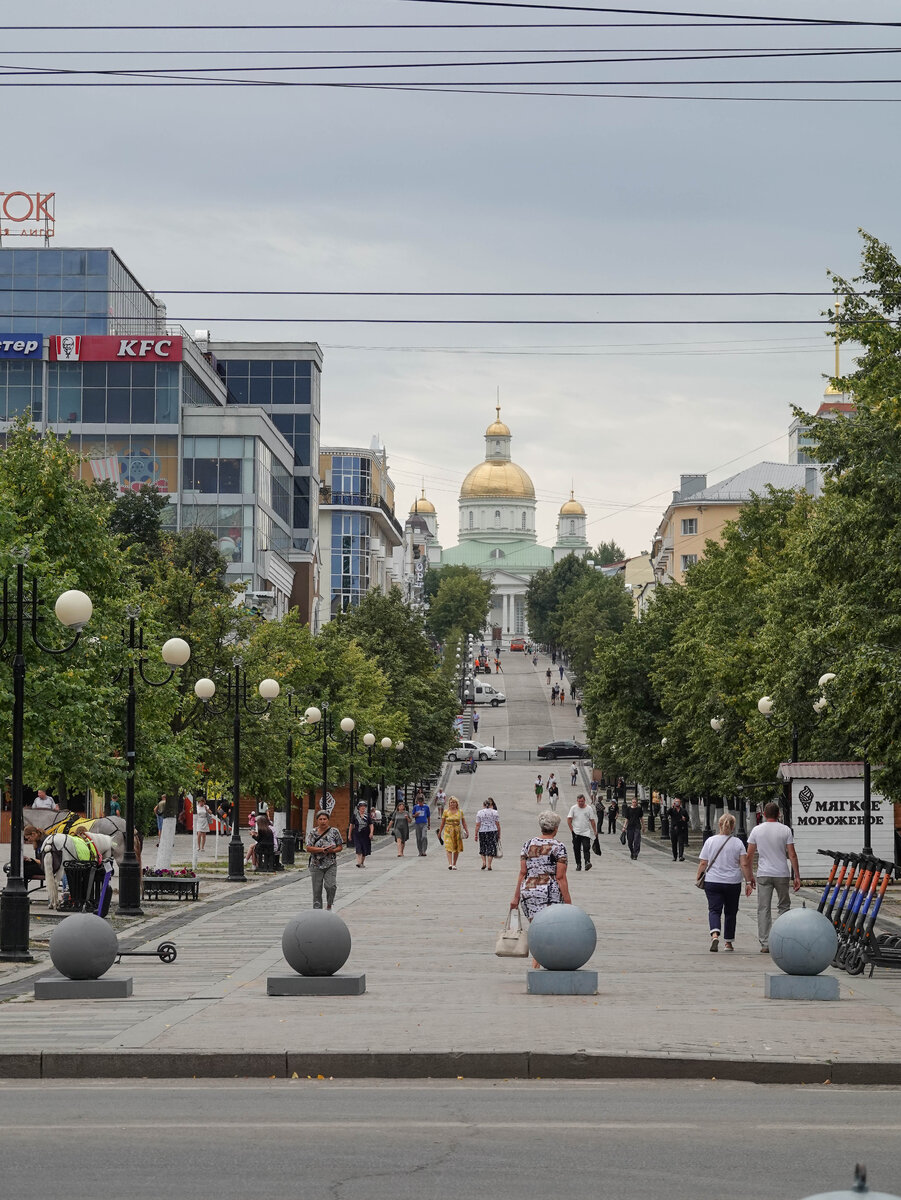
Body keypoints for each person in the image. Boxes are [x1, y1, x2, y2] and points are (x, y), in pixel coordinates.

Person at [510, 810, 572, 968]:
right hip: (549, 893)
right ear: (556, 828)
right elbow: (560, 877)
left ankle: (537, 966)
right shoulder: (558, 847)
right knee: (547, 932)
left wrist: (515, 897)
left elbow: (522, 872)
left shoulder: (528, 844)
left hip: (529, 891)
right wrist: (568, 901)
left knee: (539, 930)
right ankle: (539, 967)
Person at [742, 800, 801, 953]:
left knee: (763, 908)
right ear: (778, 814)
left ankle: (765, 943)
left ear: (763, 814)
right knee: (784, 906)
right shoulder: (786, 830)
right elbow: (792, 854)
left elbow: (749, 855)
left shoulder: (756, 830)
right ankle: (782, 939)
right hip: (782, 873)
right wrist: (797, 876)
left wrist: (749, 878)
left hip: (764, 873)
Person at [697, 813, 754, 952]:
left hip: (712, 881)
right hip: (732, 883)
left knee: (714, 910)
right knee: (731, 912)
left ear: (719, 825)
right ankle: (728, 943)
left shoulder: (710, 841)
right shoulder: (738, 843)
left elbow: (704, 862)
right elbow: (744, 864)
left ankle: (715, 935)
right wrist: (748, 882)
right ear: (733, 826)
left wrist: (698, 876)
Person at [305, 809, 344, 909]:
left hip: (330, 863)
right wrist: (321, 850)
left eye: (325, 819)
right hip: (316, 864)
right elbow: (308, 847)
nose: (323, 821)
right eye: (320, 819)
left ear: (328, 820)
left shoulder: (334, 831)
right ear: (317, 820)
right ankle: (317, 911)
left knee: (331, 886)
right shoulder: (313, 832)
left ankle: (329, 904)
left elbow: (340, 847)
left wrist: (332, 850)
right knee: (317, 890)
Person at [567, 793, 598, 872]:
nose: (581, 803)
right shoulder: (573, 808)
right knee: (576, 849)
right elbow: (569, 820)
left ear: (584, 801)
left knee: (586, 847)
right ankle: (578, 864)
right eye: (579, 801)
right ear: (577, 801)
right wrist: (572, 831)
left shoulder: (589, 809)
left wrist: (595, 831)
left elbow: (592, 821)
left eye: (582, 801)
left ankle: (587, 862)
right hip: (576, 832)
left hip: (586, 832)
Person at [438, 795, 469, 869]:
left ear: (456, 803)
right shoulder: (446, 812)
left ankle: (454, 864)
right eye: (451, 802)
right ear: (449, 803)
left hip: (457, 831)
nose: (452, 804)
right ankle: (450, 864)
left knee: (456, 848)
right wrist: (439, 833)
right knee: (448, 846)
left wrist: (467, 831)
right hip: (448, 830)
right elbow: (442, 823)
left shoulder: (460, 812)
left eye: (454, 802)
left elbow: (464, 822)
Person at [475, 797, 501, 870]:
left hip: (482, 831)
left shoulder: (479, 812)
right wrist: (499, 834)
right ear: (490, 805)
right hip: (493, 831)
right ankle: (489, 865)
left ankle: (484, 862)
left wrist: (475, 834)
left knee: (483, 846)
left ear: (483, 805)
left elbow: (477, 824)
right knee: (491, 847)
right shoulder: (495, 812)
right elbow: (497, 824)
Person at [348, 800, 374, 868]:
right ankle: (359, 862)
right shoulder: (355, 815)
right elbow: (351, 825)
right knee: (358, 848)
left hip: (365, 835)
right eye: (361, 806)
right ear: (358, 807)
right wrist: (349, 834)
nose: (362, 808)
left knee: (364, 849)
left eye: (364, 806)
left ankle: (362, 862)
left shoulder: (368, 815)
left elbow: (371, 825)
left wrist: (371, 833)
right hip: (357, 834)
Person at [669, 797, 690, 862]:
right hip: (674, 828)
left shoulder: (683, 810)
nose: (677, 803)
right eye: (676, 802)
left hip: (681, 828)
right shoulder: (672, 810)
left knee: (681, 843)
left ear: (680, 803)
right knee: (674, 843)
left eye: (678, 802)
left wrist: (685, 819)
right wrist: (672, 807)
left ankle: (681, 856)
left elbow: (687, 818)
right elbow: (668, 813)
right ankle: (674, 856)